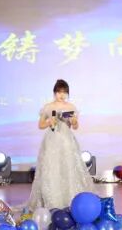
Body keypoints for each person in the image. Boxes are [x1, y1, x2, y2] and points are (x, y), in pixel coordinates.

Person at [25, 79, 93, 210]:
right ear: (54, 93)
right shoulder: (48, 107)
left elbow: (75, 126)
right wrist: (50, 122)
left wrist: (73, 121)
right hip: (52, 140)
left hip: (67, 141)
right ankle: (53, 201)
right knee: (52, 168)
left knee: (68, 168)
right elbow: (40, 125)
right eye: (59, 92)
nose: (62, 95)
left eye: (64, 92)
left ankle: (70, 200)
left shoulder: (71, 107)